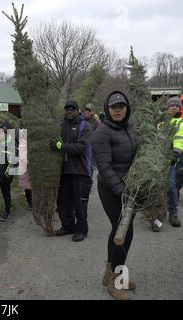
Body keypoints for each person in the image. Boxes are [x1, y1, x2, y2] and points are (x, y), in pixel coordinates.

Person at [92, 91, 139, 300]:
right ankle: (114, 281)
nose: (118, 110)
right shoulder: (102, 132)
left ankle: (112, 273)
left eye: (121, 106)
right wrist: (120, 189)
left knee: (122, 231)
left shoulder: (130, 128)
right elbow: (103, 165)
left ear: (127, 108)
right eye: (114, 107)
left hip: (131, 188)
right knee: (123, 232)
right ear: (107, 109)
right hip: (112, 190)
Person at [50, 100, 93, 242]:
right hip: (64, 171)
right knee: (63, 201)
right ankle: (68, 226)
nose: (69, 111)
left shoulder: (84, 126)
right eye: (67, 109)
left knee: (79, 203)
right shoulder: (61, 125)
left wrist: (61, 146)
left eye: (72, 109)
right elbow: (56, 143)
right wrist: (54, 144)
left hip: (80, 171)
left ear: (78, 110)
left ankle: (81, 229)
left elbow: (82, 148)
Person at [0, 122, 14, 222]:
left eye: (2, 132)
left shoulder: (11, 145)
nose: (0, 134)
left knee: (6, 194)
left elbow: (13, 161)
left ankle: (7, 211)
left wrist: (9, 172)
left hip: (5, 175)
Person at [166, 96, 183, 228]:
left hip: (171, 158)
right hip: (158, 157)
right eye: (172, 105)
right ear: (167, 107)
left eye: (177, 106)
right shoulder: (161, 122)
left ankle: (173, 213)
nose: (174, 107)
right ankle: (156, 213)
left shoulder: (180, 122)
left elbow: (179, 138)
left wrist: (176, 152)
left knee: (171, 185)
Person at [18, 129, 33, 210]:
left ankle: (35, 201)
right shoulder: (23, 133)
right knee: (27, 184)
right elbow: (22, 147)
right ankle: (30, 202)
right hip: (25, 163)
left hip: (34, 162)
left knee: (34, 183)